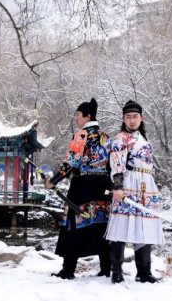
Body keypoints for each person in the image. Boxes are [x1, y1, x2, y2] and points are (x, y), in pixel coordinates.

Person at [45, 98, 114, 279]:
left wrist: (53, 181)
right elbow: (112, 165)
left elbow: (71, 162)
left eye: (78, 115)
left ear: (87, 116)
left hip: (83, 186)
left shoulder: (81, 135)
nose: (76, 118)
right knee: (102, 226)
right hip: (104, 186)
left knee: (74, 224)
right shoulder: (106, 137)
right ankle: (106, 269)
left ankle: (68, 271)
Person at [105, 100, 163, 284]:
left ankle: (144, 272)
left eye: (135, 117)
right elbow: (117, 164)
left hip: (146, 186)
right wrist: (118, 187)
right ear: (124, 119)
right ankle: (116, 271)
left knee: (144, 228)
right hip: (128, 184)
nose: (132, 120)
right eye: (128, 117)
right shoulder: (121, 138)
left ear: (141, 118)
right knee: (121, 227)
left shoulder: (143, 138)